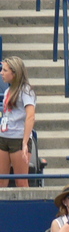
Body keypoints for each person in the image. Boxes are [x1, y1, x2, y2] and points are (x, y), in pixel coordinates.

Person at [0, 56, 36, 188]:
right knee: (1, 181)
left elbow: (30, 116)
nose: (1, 73)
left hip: (18, 138)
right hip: (4, 136)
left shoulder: (26, 91)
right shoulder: (8, 90)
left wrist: (25, 142)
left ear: (14, 73)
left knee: (21, 181)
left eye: (4, 70)